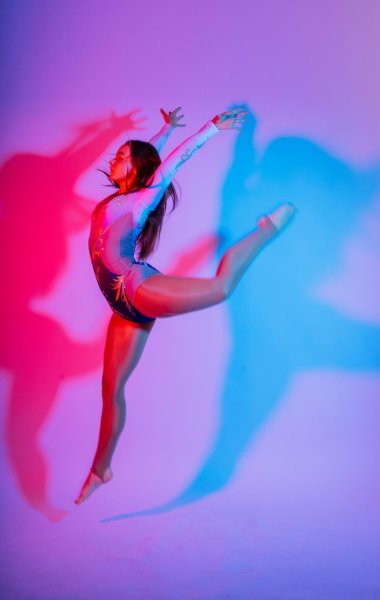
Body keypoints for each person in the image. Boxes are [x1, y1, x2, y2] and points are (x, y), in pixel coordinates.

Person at [74, 107, 296, 504]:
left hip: (138, 288)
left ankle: (266, 231)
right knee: (111, 388)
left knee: (221, 288)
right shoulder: (117, 199)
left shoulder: (140, 201)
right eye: (118, 154)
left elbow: (168, 166)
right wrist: (164, 129)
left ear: (138, 169)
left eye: (124, 156)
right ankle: (100, 469)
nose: (115, 158)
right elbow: (151, 155)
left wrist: (210, 128)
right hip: (123, 309)